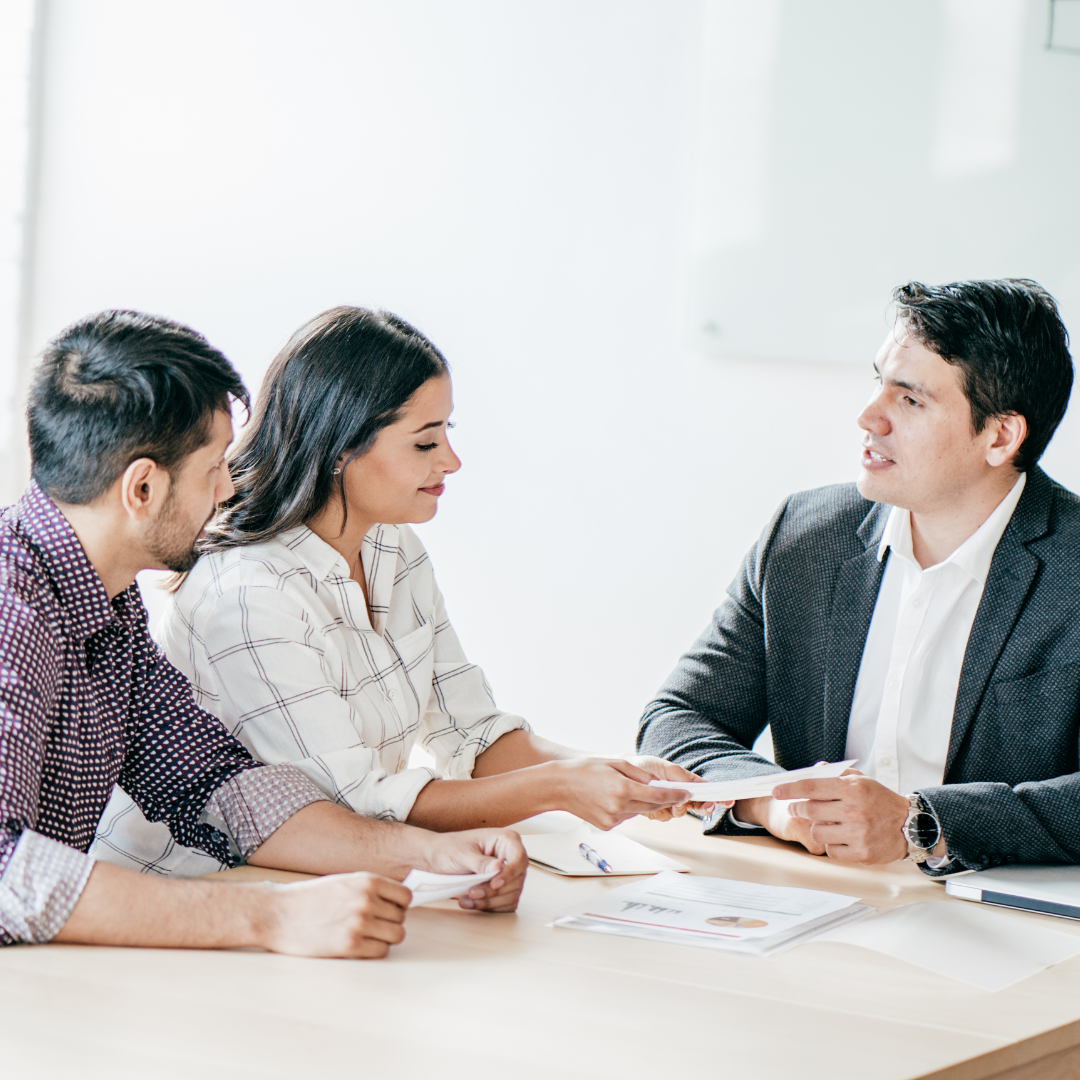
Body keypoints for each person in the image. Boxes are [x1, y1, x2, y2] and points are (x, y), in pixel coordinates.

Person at [93, 306, 707, 877]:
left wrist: (608, 774)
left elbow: (471, 732)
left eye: (447, 433)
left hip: (336, 875)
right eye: (425, 441)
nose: (453, 461)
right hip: (201, 883)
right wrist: (561, 788)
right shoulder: (248, 595)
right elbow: (351, 807)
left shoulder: (393, 547)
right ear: (340, 447)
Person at [0, 309, 529, 956]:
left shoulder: (107, 610)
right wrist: (270, 917)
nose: (227, 491)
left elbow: (218, 783)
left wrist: (430, 854)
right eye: (213, 468)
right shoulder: (13, 610)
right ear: (142, 486)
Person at [638, 278, 1080, 873]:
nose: (868, 417)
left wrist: (919, 823)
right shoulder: (805, 534)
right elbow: (676, 718)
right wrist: (771, 801)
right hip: (814, 896)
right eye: (879, 382)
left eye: (910, 400)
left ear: (999, 436)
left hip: (1004, 923)